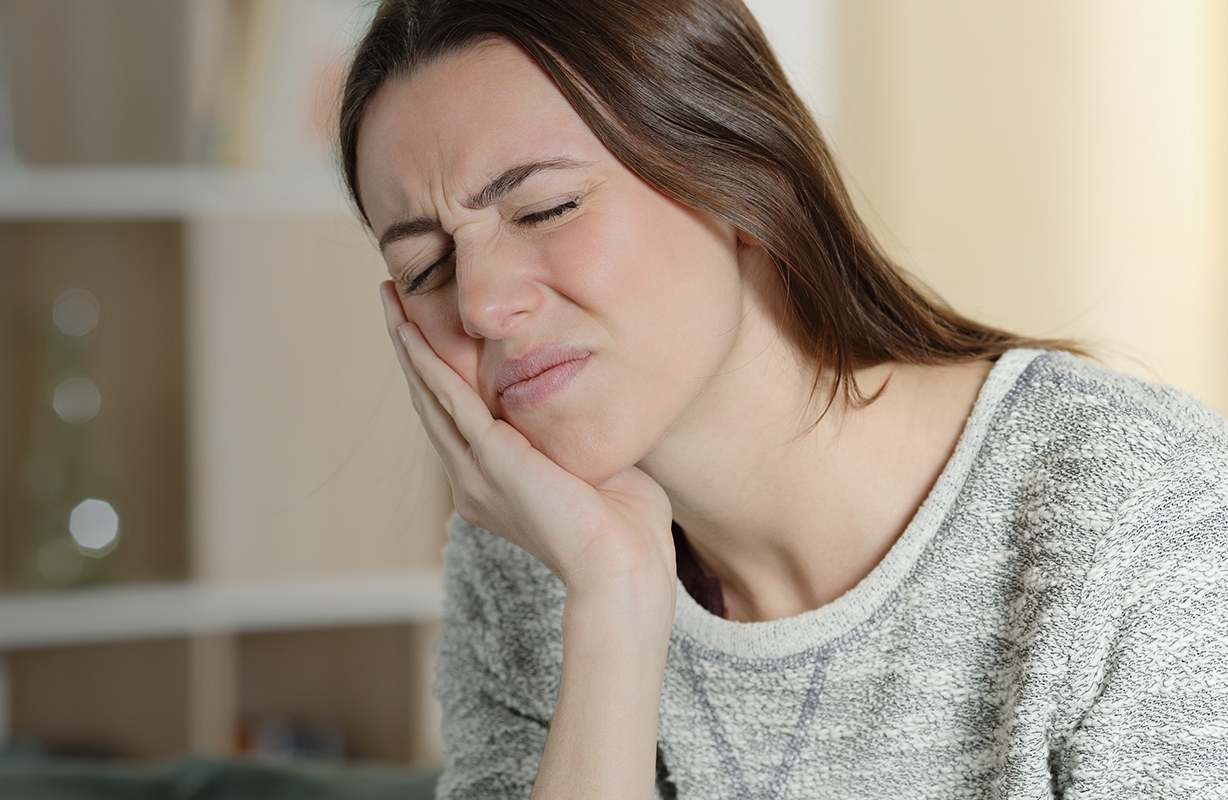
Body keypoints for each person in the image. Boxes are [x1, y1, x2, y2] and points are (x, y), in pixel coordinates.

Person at [338, 1, 1228, 798]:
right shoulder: (541, 554)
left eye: (546, 209)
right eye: (426, 267)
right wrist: (614, 599)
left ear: (736, 176)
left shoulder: (1138, 516)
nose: (483, 305)